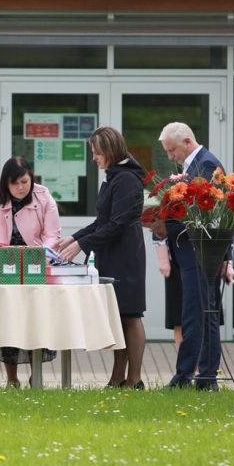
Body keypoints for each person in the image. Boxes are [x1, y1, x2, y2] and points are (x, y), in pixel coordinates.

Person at [53, 126, 147, 389]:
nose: (93, 157)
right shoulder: (114, 175)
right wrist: (74, 238)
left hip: (126, 256)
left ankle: (134, 379)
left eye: (96, 152)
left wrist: (82, 244)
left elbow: (116, 225)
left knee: (131, 315)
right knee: (119, 316)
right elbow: (101, 221)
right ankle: (118, 378)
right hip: (114, 253)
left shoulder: (126, 179)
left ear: (110, 150)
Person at [158, 122, 234, 391]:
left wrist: (163, 215)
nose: (171, 156)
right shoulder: (198, 164)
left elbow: (212, 214)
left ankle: (185, 378)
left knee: (195, 315)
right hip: (197, 252)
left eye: (172, 150)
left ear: (187, 142)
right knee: (204, 314)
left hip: (199, 251)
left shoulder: (204, 165)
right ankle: (205, 378)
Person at [0, 156, 62, 387]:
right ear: (6, 183)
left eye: (25, 181)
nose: (21, 187)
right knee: (7, 321)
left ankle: (36, 375)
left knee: (35, 320)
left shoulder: (44, 196)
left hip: (35, 266)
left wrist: (41, 254)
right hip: (5, 265)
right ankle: (12, 379)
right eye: (15, 183)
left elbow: (53, 233)